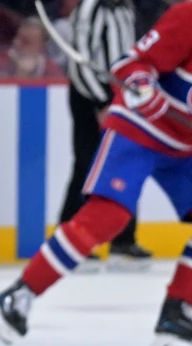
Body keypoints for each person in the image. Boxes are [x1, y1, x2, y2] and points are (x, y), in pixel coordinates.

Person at [0, 0, 192, 346]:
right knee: (109, 215)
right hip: (140, 130)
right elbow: (130, 64)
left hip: (188, 144)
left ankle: (176, 317)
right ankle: (18, 296)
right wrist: (143, 87)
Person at [61, 0, 151, 271]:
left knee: (126, 162)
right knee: (87, 164)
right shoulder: (90, 8)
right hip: (90, 95)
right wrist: (100, 101)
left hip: (119, 92)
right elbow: (80, 61)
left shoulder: (124, 8)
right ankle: (68, 236)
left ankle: (123, 239)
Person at [0, 18, 64, 77]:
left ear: (41, 47)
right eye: (17, 37)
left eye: (25, 42)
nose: (16, 43)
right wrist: (19, 75)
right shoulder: (1, 59)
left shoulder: (50, 69)